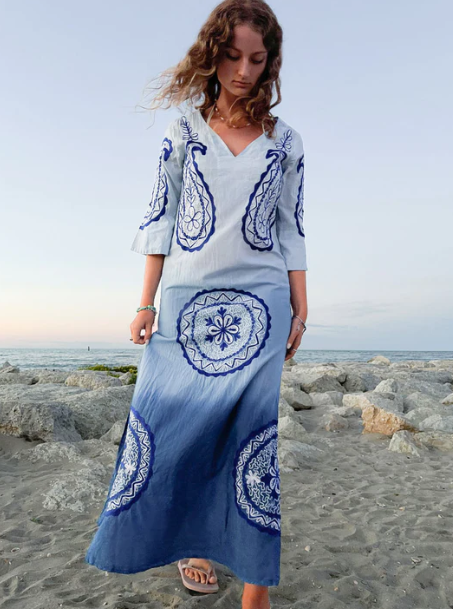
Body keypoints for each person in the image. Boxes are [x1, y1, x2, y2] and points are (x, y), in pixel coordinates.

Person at [85, 1, 308, 608]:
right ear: (213, 55)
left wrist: (300, 309)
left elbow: (292, 229)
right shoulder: (183, 130)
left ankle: (256, 589)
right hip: (185, 303)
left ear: (270, 62)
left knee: (253, 441)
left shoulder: (286, 142)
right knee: (169, 429)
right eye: (232, 56)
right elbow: (161, 217)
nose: (244, 71)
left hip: (261, 307)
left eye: (257, 59)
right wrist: (144, 303)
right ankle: (193, 546)